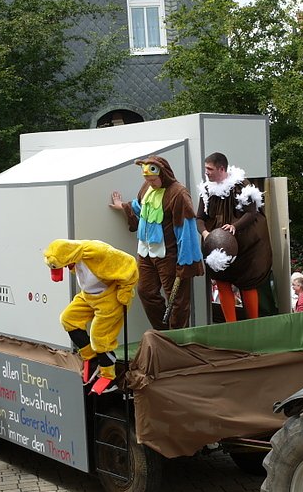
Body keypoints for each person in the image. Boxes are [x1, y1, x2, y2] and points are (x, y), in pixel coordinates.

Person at [110, 156, 203, 330]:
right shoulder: (147, 187)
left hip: (169, 255)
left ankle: (178, 339)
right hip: (145, 253)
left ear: (163, 174)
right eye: (147, 179)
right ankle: (163, 332)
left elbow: (186, 229)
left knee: (176, 300)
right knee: (145, 292)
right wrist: (123, 206)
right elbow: (142, 207)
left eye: (153, 179)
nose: (150, 183)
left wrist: (185, 262)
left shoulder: (178, 193)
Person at [44, 239, 138, 395]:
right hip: (89, 296)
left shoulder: (98, 252)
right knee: (68, 318)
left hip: (109, 297)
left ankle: (109, 376)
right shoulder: (73, 257)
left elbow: (129, 263)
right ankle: (92, 359)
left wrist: (126, 290)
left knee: (99, 336)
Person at [195, 153, 273, 321]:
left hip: (245, 246)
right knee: (222, 283)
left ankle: (253, 325)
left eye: (210, 169)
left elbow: (252, 212)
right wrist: (206, 233)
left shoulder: (241, 185)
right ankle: (231, 325)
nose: (206, 172)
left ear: (221, 169)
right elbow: (199, 217)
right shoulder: (207, 190)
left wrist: (234, 226)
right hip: (217, 245)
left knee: (247, 284)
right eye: (205, 168)